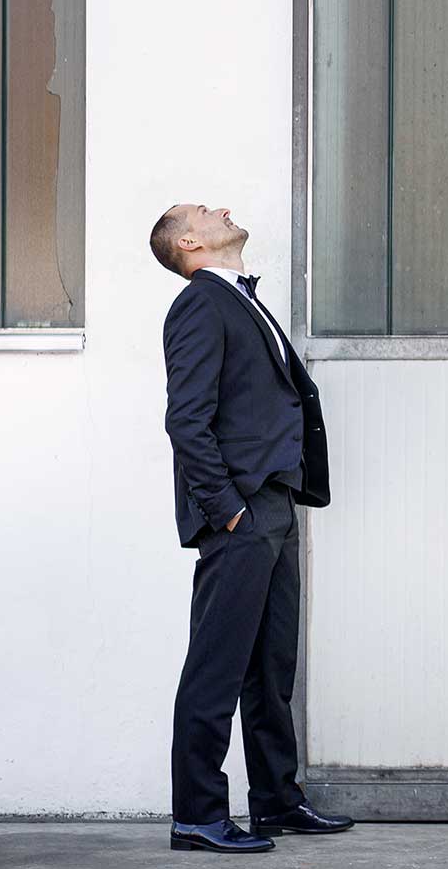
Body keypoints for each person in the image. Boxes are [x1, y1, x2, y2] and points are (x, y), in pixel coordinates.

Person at [148, 203, 352, 853]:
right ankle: (198, 815)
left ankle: (275, 801)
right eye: (204, 211)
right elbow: (187, 419)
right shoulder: (201, 305)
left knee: (271, 666)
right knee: (218, 665)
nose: (223, 210)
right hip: (241, 510)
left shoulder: (240, 299)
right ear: (188, 241)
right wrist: (228, 509)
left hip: (273, 499)